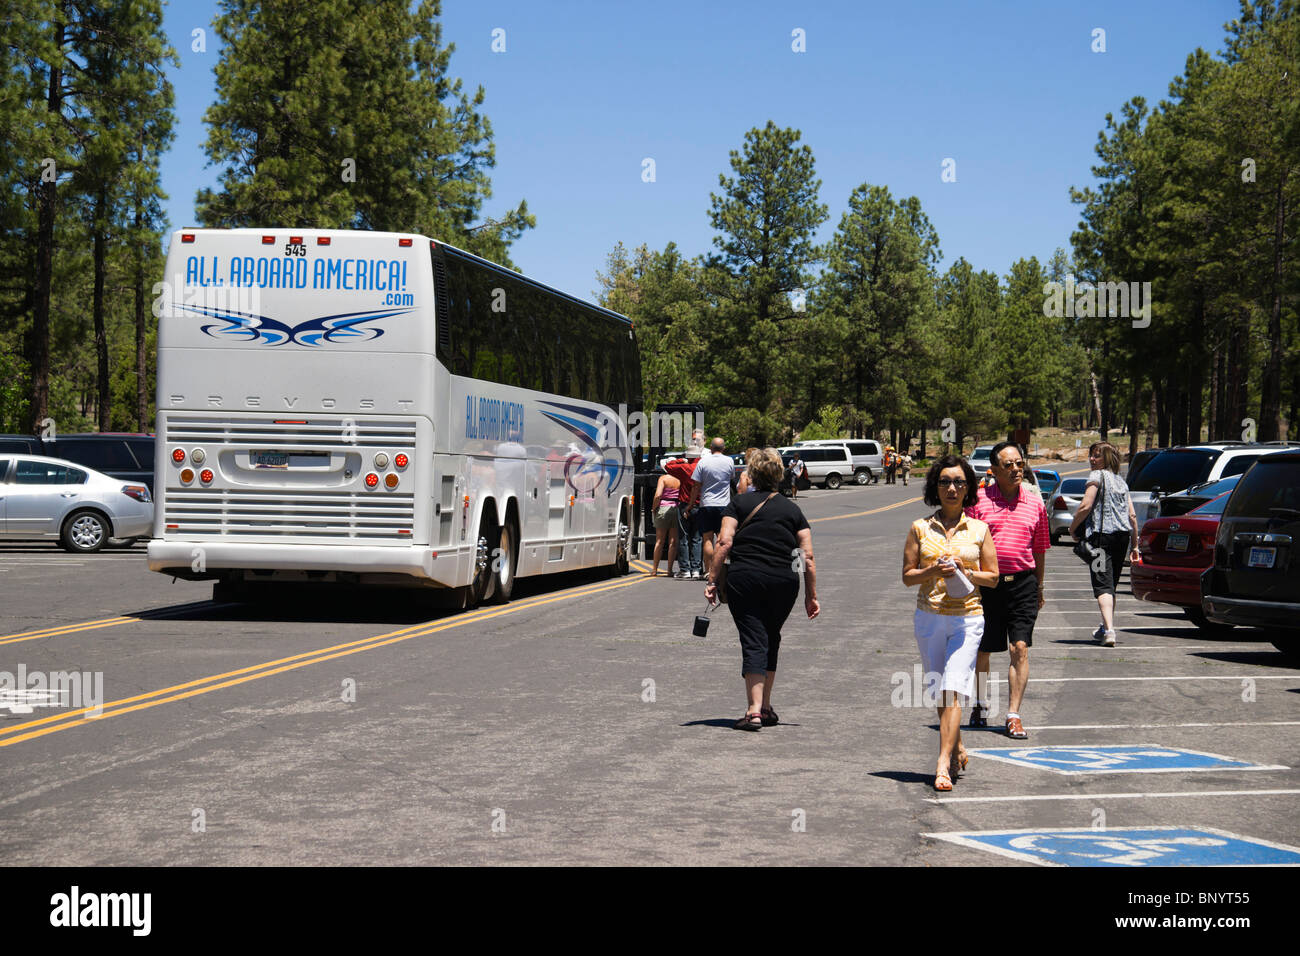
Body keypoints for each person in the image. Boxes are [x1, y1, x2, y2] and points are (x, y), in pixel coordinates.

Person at [704, 447, 820, 730]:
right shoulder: (793, 510)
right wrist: (811, 595)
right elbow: (808, 557)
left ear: (752, 474)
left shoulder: (738, 504)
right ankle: (765, 706)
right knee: (771, 637)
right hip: (785, 581)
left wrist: (712, 580)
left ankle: (753, 710)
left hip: (746, 579)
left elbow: (724, 543)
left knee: (753, 638)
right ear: (780, 475)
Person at [902, 455, 1000, 790]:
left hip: (967, 620)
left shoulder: (979, 529)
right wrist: (931, 571)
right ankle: (956, 744)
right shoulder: (919, 528)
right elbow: (907, 577)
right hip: (929, 619)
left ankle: (942, 764)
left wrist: (966, 569)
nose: (952, 488)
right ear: (935, 487)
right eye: (945, 481)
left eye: (959, 482)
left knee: (953, 689)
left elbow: (994, 578)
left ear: (969, 488)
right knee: (939, 693)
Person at [965, 441, 1050, 739]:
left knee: (1020, 648)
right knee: (983, 649)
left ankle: (1013, 715)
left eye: (1019, 463)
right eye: (1008, 465)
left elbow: (1039, 549)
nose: (1016, 469)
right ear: (994, 470)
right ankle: (980, 704)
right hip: (987, 585)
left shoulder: (1036, 503)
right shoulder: (977, 502)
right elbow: (967, 546)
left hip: (1024, 583)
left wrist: (1039, 586)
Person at [1070, 441, 1140, 647]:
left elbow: (1085, 505)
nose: (1092, 459)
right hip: (1122, 537)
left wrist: (1073, 528)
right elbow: (1132, 516)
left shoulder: (1096, 476)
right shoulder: (1121, 482)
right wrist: (1135, 546)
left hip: (1100, 539)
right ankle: (1104, 626)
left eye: (1097, 455)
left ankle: (1109, 630)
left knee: (1102, 584)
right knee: (1111, 585)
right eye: (1091, 455)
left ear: (1107, 458)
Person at [688, 437, 735, 578]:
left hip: (707, 504)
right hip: (724, 505)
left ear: (711, 447)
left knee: (707, 539)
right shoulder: (729, 461)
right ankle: (719, 569)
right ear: (724, 448)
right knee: (721, 539)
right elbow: (731, 479)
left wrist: (690, 505)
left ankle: (708, 570)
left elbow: (696, 485)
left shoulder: (703, 462)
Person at [667, 447, 703, 579]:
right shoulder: (703, 466)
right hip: (700, 505)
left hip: (685, 504)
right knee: (697, 539)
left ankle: (685, 569)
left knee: (683, 538)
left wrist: (680, 460)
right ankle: (696, 569)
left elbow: (668, 466)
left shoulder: (685, 468)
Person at [649, 470, 681, 577]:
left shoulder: (663, 478)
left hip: (663, 508)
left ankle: (654, 569)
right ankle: (669, 570)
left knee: (659, 541)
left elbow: (658, 495)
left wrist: (653, 508)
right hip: (676, 508)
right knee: (673, 542)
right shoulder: (679, 479)